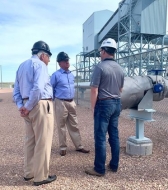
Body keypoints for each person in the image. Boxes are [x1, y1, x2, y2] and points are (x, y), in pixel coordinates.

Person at [13, 41, 56, 186]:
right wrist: (29, 106)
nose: (49, 60)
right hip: (41, 105)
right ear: (43, 55)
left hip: (27, 105)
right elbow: (38, 88)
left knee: (29, 141)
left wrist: (22, 106)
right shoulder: (40, 65)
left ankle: (29, 172)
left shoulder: (21, 66)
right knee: (43, 141)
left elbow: (16, 91)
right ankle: (41, 176)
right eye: (48, 57)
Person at [85, 38, 124, 176]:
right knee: (114, 135)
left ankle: (99, 169)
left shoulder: (100, 67)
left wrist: (93, 107)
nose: (100, 53)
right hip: (116, 102)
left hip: (104, 103)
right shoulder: (120, 68)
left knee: (100, 137)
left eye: (101, 50)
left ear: (105, 51)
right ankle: (114, 165)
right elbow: (121, 88)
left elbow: (94, 90)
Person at [50, 52, 90, 156]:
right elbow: (51, 89)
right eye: (64, 60)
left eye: (67, 60)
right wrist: (56, 100)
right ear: (60, 63)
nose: (67, 62)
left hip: (71, 102)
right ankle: (63, 147)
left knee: (74, 125)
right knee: (61, 125)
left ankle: (79, 146)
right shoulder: (56, 75)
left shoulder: (71, 75)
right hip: (60, 102)